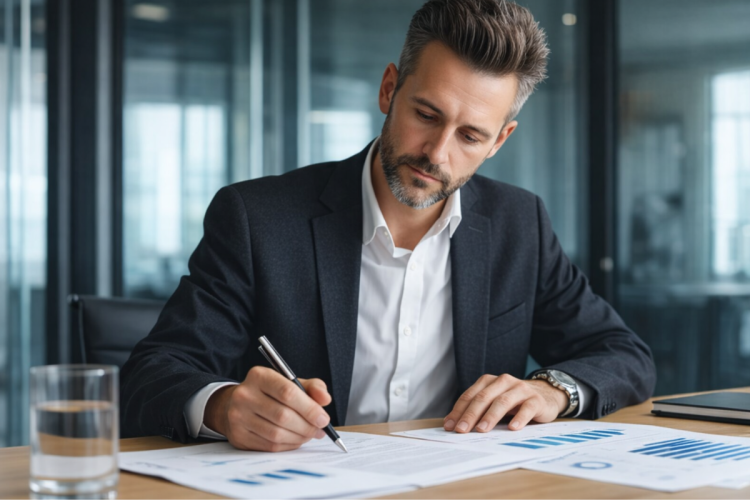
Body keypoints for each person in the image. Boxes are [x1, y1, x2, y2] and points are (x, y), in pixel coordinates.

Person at [121, 0, 656, 452]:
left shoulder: (520, 224)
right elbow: (153, 373)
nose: (437, 153)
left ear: (499, 141)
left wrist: (553, 390)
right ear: (388, 89)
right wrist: (222, 405)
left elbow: (624, 354)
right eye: (426, 114)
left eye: (470, 136)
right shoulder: (257, 218)